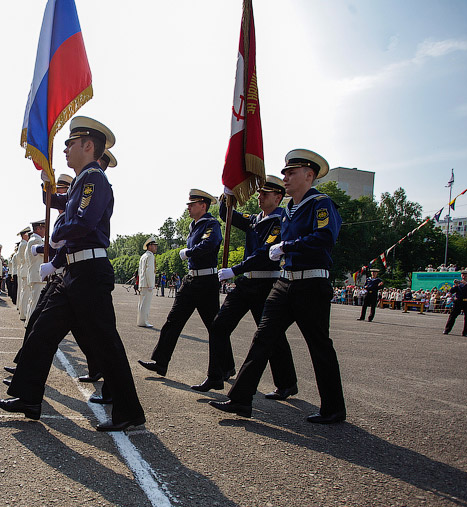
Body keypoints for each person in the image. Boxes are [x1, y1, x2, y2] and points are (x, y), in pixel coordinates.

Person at [0, 116, 145, 431]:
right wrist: (46, 178)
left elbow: (82, 220)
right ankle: (28, 397)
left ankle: (129, 411)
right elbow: (57, 201)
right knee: (41, 331)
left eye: (70, 144)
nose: (65, 149)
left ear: (88, 146)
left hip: (89, 271)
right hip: (75, 272)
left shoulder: (94, 179)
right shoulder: (81, 182)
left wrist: (58, 231)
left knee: (106, 343)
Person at [210, 149, 346, 424]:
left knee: (319, 347)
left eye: (291, 173)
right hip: (286, 283)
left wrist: (287, 246)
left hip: (311, 283)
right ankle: (240, 400)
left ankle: (333, 408)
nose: (285, 177)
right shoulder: (289, 212)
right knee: (262, 340)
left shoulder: (321, 203)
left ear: (309, 175)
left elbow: (324, 237)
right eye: (284, 172)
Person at [196, 175, 296, 397]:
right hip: (246, 283)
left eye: (265, 194)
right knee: (219, 326)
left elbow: (264, 255)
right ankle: (216, 375)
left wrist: (234, 270)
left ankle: (287, 383)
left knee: (272, 337)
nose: (259, 197)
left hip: (266, 283)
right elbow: (227, 215)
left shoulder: (280, 221)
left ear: (278, 197)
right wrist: (226, 193)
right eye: (259, 193)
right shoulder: (255, 218)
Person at [139, 189, 223, 380]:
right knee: (173, 321)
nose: (189, 208)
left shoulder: (211, 224)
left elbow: (210, 244)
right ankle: (160, 362)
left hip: (207, 281)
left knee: (215, 328)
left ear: (203, 205)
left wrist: (189, 252)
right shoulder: (194, 226)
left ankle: (225, 367)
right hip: (192, 280)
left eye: (192, 204)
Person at [23, 219, 46, 323]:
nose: (45, 231)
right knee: (36, 302)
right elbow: (46, 254)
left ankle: (29, 323)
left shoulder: (32, 240)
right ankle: (32, 324)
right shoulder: (36, 241)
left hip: (35, 275)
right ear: (38, 229)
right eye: (44, 228)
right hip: (37, 276)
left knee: (33, 301)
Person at [443, 270, 467, 337]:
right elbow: (452, 291)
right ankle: (447, 330)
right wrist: (456, 285)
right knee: (452, 316)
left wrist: (466, 284)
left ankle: (466, 332)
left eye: (466, 275)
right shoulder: (459, 283)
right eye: (462, 275)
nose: (464, 277)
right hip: (459, 301)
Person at [137, 237, 157, 327]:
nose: (156, 247)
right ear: (149, 246)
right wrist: (150, 284)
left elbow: (140, 270)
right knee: (146, 304)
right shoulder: (150, 256)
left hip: (142, 283)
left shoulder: (143, 256)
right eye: (154, 246)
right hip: (147, 283)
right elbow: (149, 271)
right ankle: (144, 322)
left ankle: (141, 321)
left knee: (141, 304)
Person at [15, 226, 31, 320]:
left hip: (23, 269)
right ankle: (24, 313)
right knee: (26, 292)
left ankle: (22, 311)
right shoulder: (24, 244)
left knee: (23, 292)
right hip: (25, 269)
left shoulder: (22, 244)